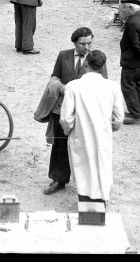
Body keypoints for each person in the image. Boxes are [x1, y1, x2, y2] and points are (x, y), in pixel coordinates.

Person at [37, 28, 108, 196]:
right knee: (60, 145)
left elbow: (102, 83)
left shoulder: (97, 58)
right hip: (63, 108)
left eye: (89, 43)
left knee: (87, 146)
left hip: (85, 110)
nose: (87, 47)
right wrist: (62, 88)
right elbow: (54, 77)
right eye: (82, 44)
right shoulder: (64, 56)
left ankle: (88, 184)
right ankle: (58, 179)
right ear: (75, 43)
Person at [60, 50, 125, 204]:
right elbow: (119, 117)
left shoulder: (73, 86)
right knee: (101, 166)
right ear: (103, 67)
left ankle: (85, 203)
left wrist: (69, 130)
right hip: (102, 135)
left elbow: (66, 118)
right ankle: (100, 202)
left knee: (83, 168)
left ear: (85, 63)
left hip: (80, 135)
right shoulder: (112, 86)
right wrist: (111, 127)